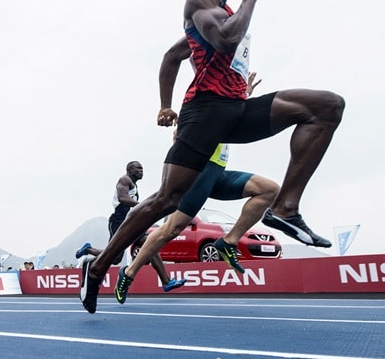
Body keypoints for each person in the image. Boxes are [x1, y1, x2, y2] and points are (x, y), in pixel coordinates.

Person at [80, 0, 345, 314]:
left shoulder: (221, 12)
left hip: (236, 109)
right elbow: (223, 40)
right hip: (205, 112)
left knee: (326, 106)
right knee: (167, 201)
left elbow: (174, 55)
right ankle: (97, 268)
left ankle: (285, 208)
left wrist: (165, 103)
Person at [114, 73, 280, 305]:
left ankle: (228, 241)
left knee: (269, 190)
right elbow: (180, 140)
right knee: (170, 230)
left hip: (219, 174)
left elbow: (234, 106)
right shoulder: (200, 112)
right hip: (198, 175)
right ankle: (129, 272)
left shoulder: (226, 109)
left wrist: (246, 92)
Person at [75, 161, 186, 293]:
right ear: (129, 170)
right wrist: (142, 205)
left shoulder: (134, 185)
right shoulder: (124, 179)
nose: (141, 170)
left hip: (132, 221)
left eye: (142, 168)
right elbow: (122, 198)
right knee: (115, 258)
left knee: (149, 243)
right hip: (118, 221)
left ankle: (166, 282)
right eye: (138, 168)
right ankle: (88, 249)